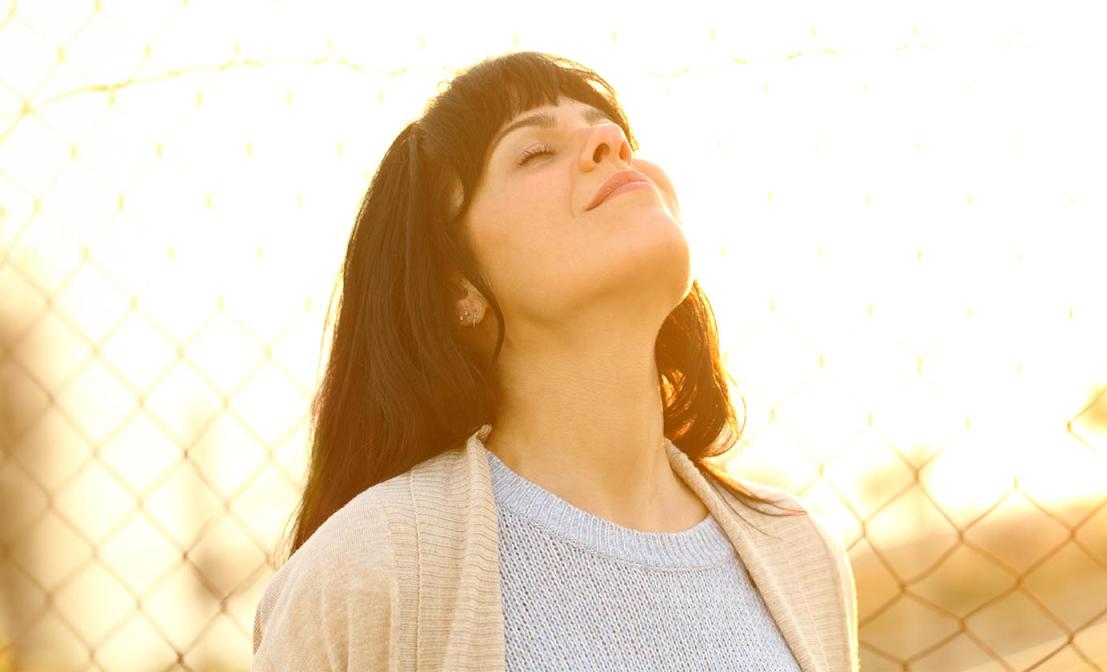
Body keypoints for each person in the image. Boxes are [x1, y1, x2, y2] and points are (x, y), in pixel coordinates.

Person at [250, 51, 858, 671]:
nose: (609, 142)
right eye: (535, 152)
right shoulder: (366, 570)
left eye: (613, 132)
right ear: (456, 285)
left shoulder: (797, 548)